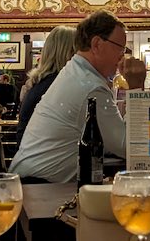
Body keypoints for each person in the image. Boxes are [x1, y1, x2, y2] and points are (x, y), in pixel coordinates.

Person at [10, 11, 128, 183]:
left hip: (29, 180)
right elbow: (127, 146)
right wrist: (136, 85)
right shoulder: (90, 86)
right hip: (41, 188)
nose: (122, 56)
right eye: (120, 48)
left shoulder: (75, 72)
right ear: (96, 44)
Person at [16, 25, 76, 148]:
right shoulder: (56, 85)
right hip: (39, 155)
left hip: (29, 153)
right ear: (70, 53)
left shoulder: (41, 82)